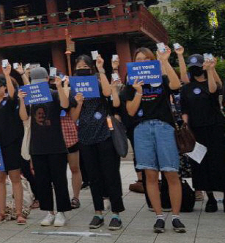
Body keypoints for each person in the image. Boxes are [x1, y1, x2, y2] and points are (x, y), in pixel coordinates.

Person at [120, 46, 185, 233]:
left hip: (164, 127)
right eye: (138, 60)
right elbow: (131, 111)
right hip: (142, 129)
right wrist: (138, 91)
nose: (142, 63)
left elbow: (176, 85)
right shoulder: (131, 84)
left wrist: (164, 60)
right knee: (150, 174)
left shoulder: (162, 79)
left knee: (171, 172)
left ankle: (176, 216)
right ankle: (158, 216)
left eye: (146, 60)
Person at [64, 54, 125, 231]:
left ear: (90, 68)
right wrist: (80, 103)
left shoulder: (98, 81)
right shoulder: (75, 88)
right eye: (78, 66)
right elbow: (73, 117)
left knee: (111, 174)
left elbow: (108, 93)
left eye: (85, 66)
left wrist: (101, 69)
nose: (81, 69)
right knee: (93, 177)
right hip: (85, 137)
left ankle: (116, 213)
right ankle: (98, 212)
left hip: (104, 134)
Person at [19, 66, 72, 227]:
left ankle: (62, 211)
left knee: (59, 180)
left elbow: (65, 105)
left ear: (46, 80)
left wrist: (60, 87)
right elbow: (23, 117)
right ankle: (49, 212)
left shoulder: (54, 93)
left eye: (40, 82)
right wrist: (21, 99)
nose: (38, 86)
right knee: (43, 181)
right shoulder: (31, 97)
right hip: (37, 146)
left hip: (56, 145)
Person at [180, 54, 224, 212]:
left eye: (198, 66)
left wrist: (211, 70)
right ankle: (210, 198)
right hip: (196, 130)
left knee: (219, 161)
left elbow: (214, 91)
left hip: (215, 128)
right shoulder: (186, 88)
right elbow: (184, 108)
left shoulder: (211, 82)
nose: (196, 70)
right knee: (201, 164)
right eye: (193, 68)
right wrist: (185, 127)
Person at [0, 65, 26, 224]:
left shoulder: (9, 101)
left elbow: (14, 95)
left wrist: (8, 76)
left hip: (11, 143)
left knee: (15, 177)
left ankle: (19, 212)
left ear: (4, 88)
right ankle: (1, 212)